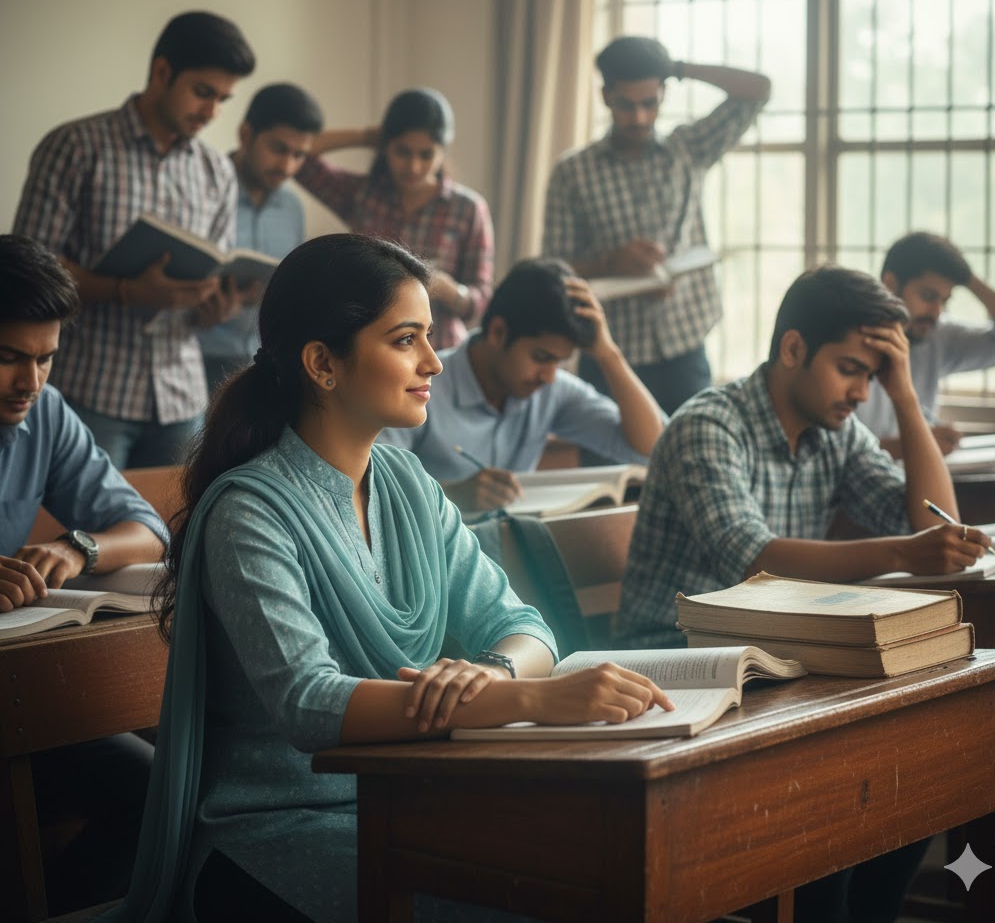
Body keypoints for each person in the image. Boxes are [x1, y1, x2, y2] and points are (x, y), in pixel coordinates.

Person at [105, 234, 672, 923]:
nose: (434, 361)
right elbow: (311, 703)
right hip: (274, 834)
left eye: (430, 337)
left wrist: (491, 673)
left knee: (597, 874)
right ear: (323, 363)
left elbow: (522, 627)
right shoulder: (248, 513)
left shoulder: (405, 481)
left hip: (410, 800)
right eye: (406, 339)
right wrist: (533, 702)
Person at [618, 264, 988, 651]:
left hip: (773, 645)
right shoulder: (707, 426)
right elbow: (753, 562)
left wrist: (905, 398)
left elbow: (933, 524)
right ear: (793, 349)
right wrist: (899, 553)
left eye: (872, 377)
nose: (862, 393)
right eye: (849, 370)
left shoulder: (838, 435)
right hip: (671, 650)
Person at [0, 235, 169, 913]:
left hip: (19, 697)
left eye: (46, 358)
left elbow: (146, 527)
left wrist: (79, 548)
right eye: (9, 357)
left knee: (161, 788)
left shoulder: (43, 413)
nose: (29, 382)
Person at [13, 11, 256, 469]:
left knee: (174, 533)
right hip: (89, 393)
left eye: (223, 99)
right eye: (203, 92)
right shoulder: (77, 146)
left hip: (181, 399)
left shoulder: (217, 170)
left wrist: (217, 307)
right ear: (162, 73)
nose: (212, 112)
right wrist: (124, 291)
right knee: (79, 534)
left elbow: (213, 271)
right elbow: (30, 273)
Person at [543, 35, 771, 416]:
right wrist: (612, 263)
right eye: (626, 105)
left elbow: (758, 90)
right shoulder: (573, 172)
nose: (639, 118)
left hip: (685, 345)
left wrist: (677, 68)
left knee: (693, 465)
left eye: (649, 103)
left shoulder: (688, 149)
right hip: (609, 351)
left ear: (663, 94)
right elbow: (554, 268)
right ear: (606, 97)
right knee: (614, 472)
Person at [379, 258, 666, 513]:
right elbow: (371, 488)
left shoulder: (550, 390)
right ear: (498, 332)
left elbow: (652, 448)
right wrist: (453, 496)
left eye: (560, 362)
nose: (550, 376)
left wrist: (608, 353)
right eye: (542, 357)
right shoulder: (421, 387)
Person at [294, 87, 493, 350]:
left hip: (438, 351)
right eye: (402, 152)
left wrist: (450, 291)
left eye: (426, 155)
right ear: (385, 148)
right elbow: (299, 157)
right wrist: (367, 136)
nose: (413, 166)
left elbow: (481, 298)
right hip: (370, 347)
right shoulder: (364, 196)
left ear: (443, 152)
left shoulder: (468, 209)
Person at [199, 82, 324, 392]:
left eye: (299, 155)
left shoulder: (293, 206)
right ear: (245, 134)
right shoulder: (203, 190)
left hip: (265, 362)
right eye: (279, 149)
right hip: (197, 357)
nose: (287, 166)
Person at [856, 230, 995, 457]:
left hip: (916, 487)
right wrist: (912, 445)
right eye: (928, 296)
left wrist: (967, 278)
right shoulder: (847, 344)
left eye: (944, 300)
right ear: (890, 284)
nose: (936, 311)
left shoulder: (936, 336)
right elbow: (830, 451)